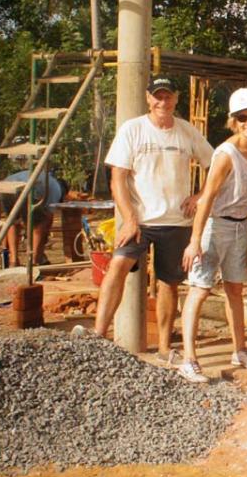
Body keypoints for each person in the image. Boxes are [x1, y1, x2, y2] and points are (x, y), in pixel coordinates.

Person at [91, 77, 213, 360]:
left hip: (176, 220)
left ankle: (164, 348)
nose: (162, 102)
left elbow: (215, 164)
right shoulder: (132, 129)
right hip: (140, 221)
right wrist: (129, 219)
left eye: (167, 96)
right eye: (157, 97)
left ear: (176, 98)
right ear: (148, 98)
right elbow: (118, 179)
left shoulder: (187, 131)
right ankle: (97, 337)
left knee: (169, 282)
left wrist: (200, 196)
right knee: (118, 266)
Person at [178, 88, 247, 383]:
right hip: (215, 225)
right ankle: (189, 359)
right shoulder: (226, 155)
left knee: (235, 289)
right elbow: (207, 198)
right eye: (242, 118)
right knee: (200, 288)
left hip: (241, 225)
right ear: (233, 121)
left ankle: (240, 349)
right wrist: (195, 241)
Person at [0, 169, 67, 266]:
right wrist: (44, 236)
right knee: (40, 226)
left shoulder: (46, 179)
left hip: (6, 186)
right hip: (25, 189)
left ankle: (13, 260)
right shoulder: (57, 189)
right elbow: (48, 218)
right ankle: (34, 261)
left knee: (13, 221)